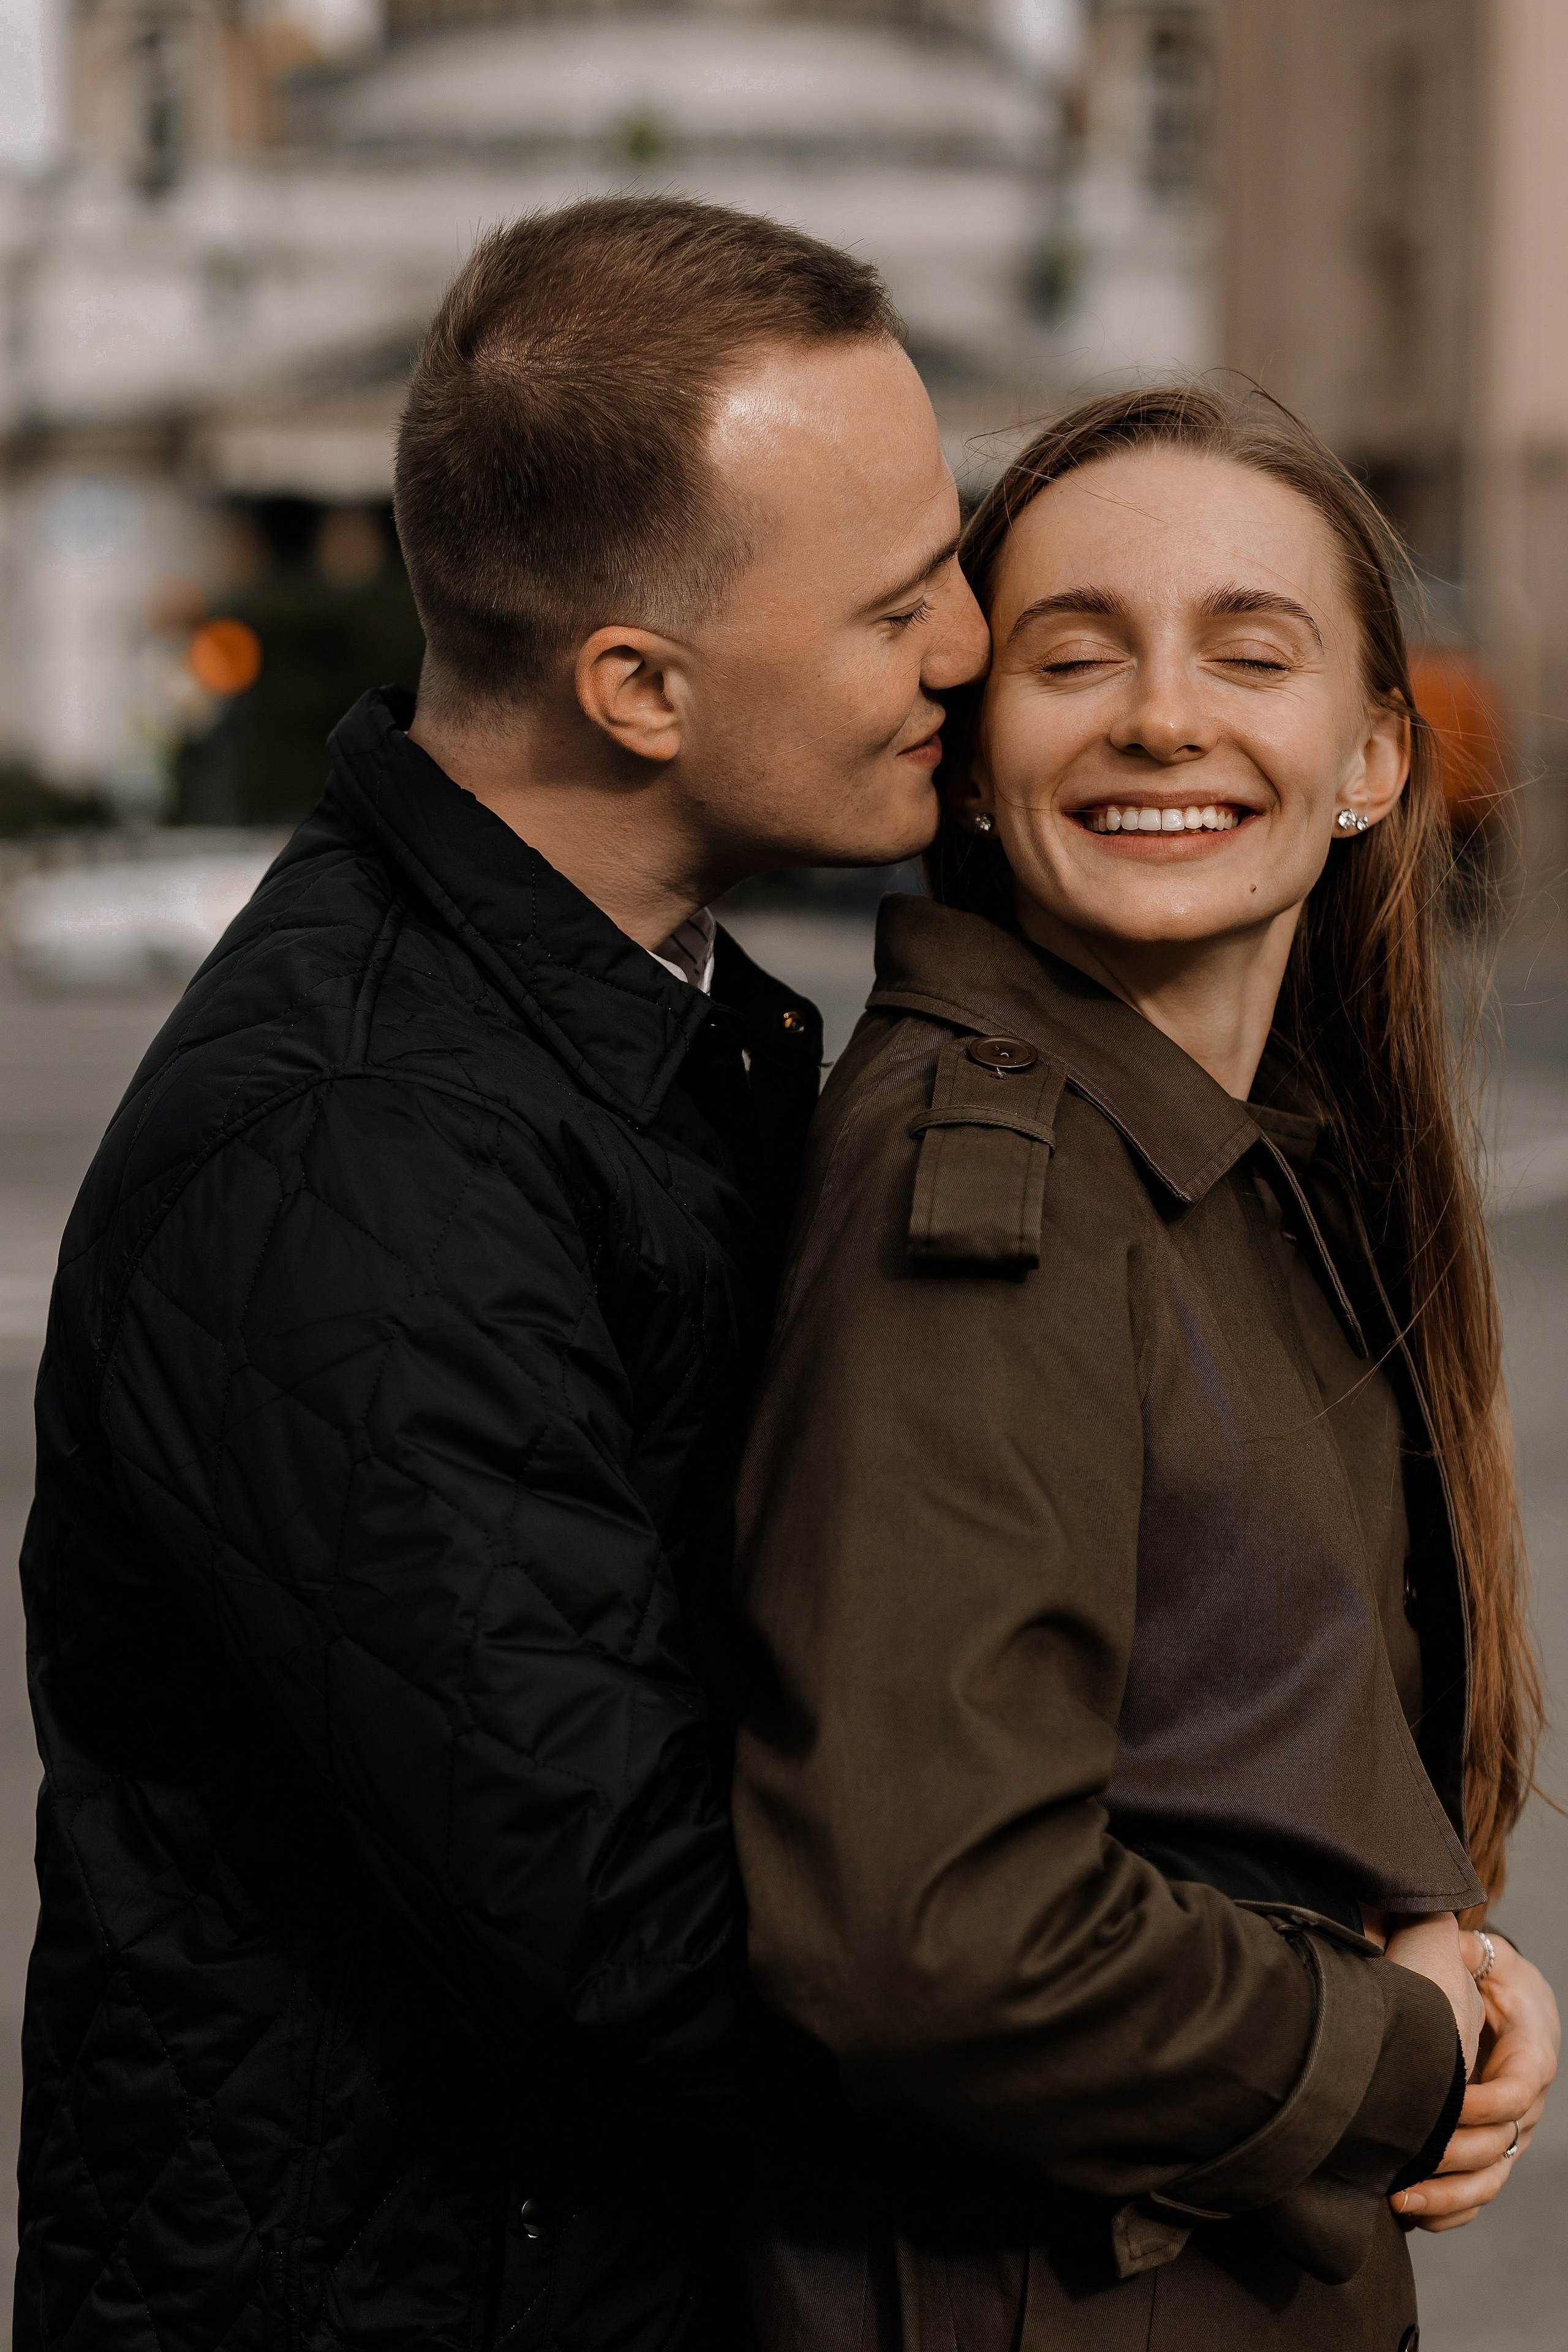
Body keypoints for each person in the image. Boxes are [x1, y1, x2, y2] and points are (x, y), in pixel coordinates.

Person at [13, 197, 987, 2352]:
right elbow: (652, 1945)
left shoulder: (623, 1013)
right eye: (899, 602)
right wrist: (1292, 2039)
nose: (973, 650)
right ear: (634, 687)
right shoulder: (353, 1156)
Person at [731, 384, 1560, 2348]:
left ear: (1373, 756)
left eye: (1249, 655)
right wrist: (1388, 2047)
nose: (1161, 718)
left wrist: (1440, 1962)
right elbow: (936, 1937)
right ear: (974, 745)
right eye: (1070, 655)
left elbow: (1223, 1756)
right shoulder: (993, 1204)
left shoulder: (1231, 1164)